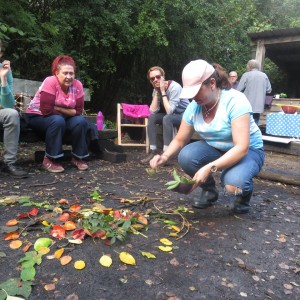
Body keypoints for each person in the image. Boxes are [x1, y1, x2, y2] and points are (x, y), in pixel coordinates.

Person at [149, 59, 265, 214]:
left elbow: (241, 147)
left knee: (232, 184)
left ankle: (243, 195)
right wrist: (164, 156)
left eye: (197, 91)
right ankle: (209, 191)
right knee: (186, 156)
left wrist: (210, 168)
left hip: (248, 150)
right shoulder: (194, 107)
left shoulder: (235, 101)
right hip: (217, 147)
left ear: (211, 83)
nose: (194, 97)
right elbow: (180, 139)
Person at [25, 55, 89, 173]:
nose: (69, 77)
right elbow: (46, 110)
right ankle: (50, 159)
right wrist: (68, 111)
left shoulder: (77, 85)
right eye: (65, 73)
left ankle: (77, 157)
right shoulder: (50, 81)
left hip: (61, 118)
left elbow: (79, 111)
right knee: (57, 120)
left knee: (80, 122)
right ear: (57, 73)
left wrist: (57, 108)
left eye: (71, 73)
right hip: (37, 116)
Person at [140, 66, 190, 164]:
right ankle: (153, 152)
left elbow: (170, 111)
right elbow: (152, 111)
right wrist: (156, 92)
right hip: (173, 115)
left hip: (185, 115)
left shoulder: (175, 87)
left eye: (158, 77)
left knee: (167, 118)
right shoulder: (156, 90)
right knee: (152, 117)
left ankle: (166, 154)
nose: (155, 80)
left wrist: (162, 91)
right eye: (152, 79)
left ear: (163, 77)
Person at [0, 40, 28, 178]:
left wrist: (3, 79)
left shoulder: (5, 70)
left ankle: (9, 163)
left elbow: (8, 105)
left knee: (11, 114)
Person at [237, 59, 272, 125]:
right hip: (259, 105)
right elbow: (269, 90)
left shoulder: (246, 75)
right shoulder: (264, 75)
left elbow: (238, 89)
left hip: (247, 105)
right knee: (255, 124)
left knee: (246, 125)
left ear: (249, 66)